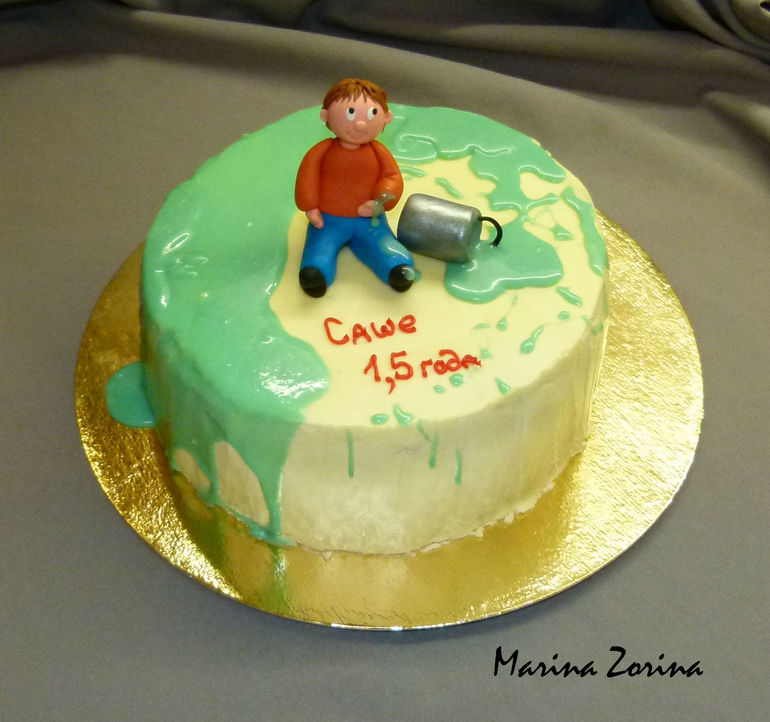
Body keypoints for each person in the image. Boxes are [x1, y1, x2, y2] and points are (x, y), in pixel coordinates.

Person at [294, 78, 415, 298]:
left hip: (370, 220)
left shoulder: (378, 152)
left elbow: (391, 177)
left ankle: (397, 267)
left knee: (382, 244)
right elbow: (308, 176)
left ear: (386, 118)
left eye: (371, 114)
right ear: (325, 116)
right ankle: (316, 273)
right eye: (350, 113)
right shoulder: (321, 151)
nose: (360, 124)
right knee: (320, 247)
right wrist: (310, 206)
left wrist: (380, 201)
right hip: (328, 220)